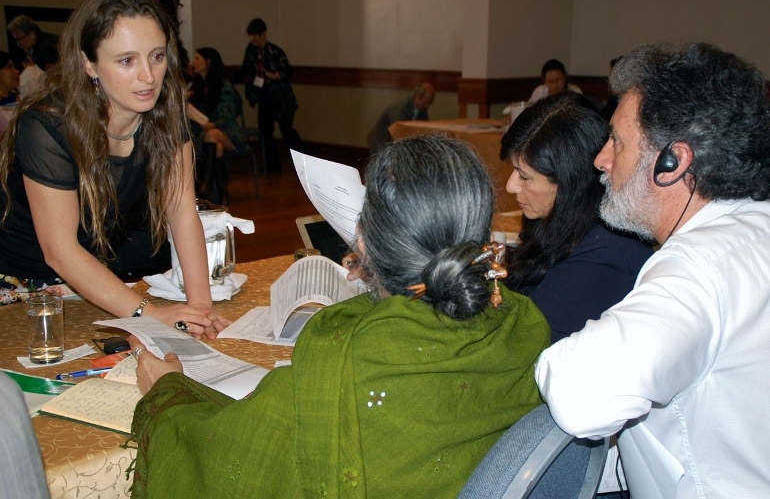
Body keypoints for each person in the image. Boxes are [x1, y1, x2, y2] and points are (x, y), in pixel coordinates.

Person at [127, 135, 550, 498]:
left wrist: (166, 393)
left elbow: (221, 459)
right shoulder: (522, 323)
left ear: (364, 242)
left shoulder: (343, 367)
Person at [535, 42, 770, 498]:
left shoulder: (700, 264)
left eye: (617, 142)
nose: (601, 159)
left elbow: (580, 393)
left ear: (673, 162)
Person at [0, 0, 229, 339]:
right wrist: (150, 314)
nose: (149, 76)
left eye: (156, 56)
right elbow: (59, 251)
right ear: (89, 64)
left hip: (96, 279)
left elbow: (181, 211)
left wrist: (200, 307)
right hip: (23, 288)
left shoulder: (167, 115)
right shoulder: (47, 127)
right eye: (127, 61)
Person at [502, 91, 652, 343]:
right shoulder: (567, 221)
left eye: (524, 176)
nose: (510, 186)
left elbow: (529, 347)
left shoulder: (603, 259)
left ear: (568, 184)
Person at [239, 17, 303, 174]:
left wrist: (276, 75)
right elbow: (246, 70)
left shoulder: (275, 51)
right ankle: (272, 166)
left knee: (286, 131)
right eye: (251, 35)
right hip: (264, 96)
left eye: (256, 35)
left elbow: (287, 71)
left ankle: (303, 163)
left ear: (263, 34)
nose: (253, 38)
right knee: (265, 132)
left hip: (280, 97)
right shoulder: (250, 51)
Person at [189, 47, 248, 205]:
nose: (193, 62)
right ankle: (218, 191)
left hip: (228, 131)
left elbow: (226, 115)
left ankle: (205, 185)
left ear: (208, 62)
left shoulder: (223, 85)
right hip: (207, 133)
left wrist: (210, 125)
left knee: (212, 135)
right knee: (217, 146)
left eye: (197, 59)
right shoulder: (196, 86)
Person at [367, 82, 436, 156]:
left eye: (430, 103)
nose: (427, 106)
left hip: (394, 144)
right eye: (426, 102)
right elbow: (398, 132)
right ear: (417, 97)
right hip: (380, 141)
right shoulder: (400, 109)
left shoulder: (423, 111)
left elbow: (424, 129)